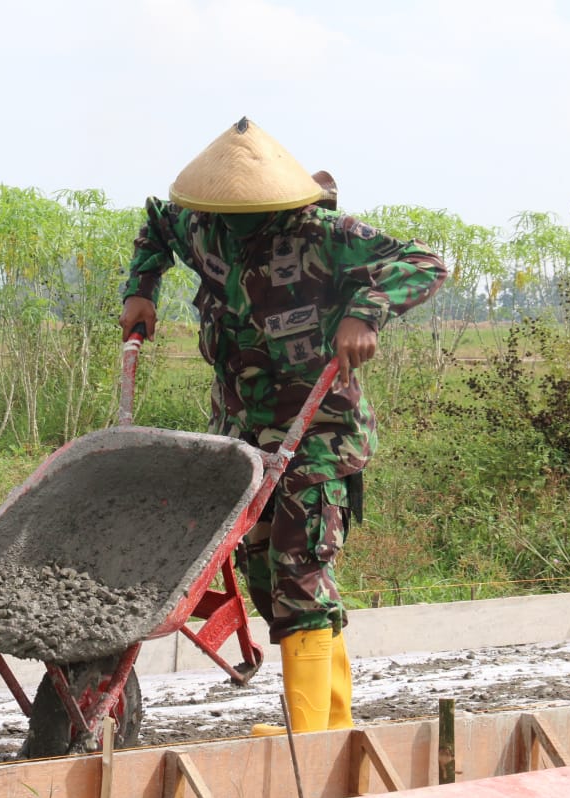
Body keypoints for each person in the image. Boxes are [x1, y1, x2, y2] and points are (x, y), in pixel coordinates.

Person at [118, 118, 447, 735]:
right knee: (269, 575)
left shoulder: (322, 233)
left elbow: (424, 261)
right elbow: (158, 223)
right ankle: (331, 720)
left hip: (317, 434)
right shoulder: (200, 226)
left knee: (300, 572)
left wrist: (364, 312)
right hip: (244, 439)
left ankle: (311, 740)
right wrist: (142, 288)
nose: (238, 226)